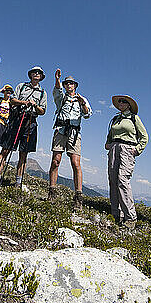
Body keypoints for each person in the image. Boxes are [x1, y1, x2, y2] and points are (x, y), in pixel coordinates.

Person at [0, 67, 47, 188]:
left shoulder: (43, 93)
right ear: (31, 75)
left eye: (39, 73)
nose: (37, 74)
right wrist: (25, 103)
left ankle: (18, 182)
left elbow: (43, 111)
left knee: (23, 153)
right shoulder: (21, 86)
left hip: (30, 123)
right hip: (17, 119)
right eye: (34, 72)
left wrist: (36, 106)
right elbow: (12, 100)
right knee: (5, 149)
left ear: (41, 77)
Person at [48, 70, 92, 209]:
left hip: (74, 132)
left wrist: (82, 103)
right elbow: (56, 90)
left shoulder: (82, 99)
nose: (68, 85)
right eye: (66, 83)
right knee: (56, 161)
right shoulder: (61, 98)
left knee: (75, 162)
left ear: (75, 86)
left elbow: (88, 114)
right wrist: (57, 80)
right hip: (60, 130)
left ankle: (78, 196)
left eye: (71, 83)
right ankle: (52, 191)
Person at [106, 95, 148, 229]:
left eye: (124, 102)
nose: (121, 103)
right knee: (113, 179)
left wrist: (137, 149)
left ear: (129, 105)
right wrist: (109, 144)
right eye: (120, 102)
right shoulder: (115, 119)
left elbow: (144, 136)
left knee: (122, 180)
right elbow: (109, 135)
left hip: (127, 149)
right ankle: (115, 213)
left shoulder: (134, 118)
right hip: (114, 149)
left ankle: (130, 217)